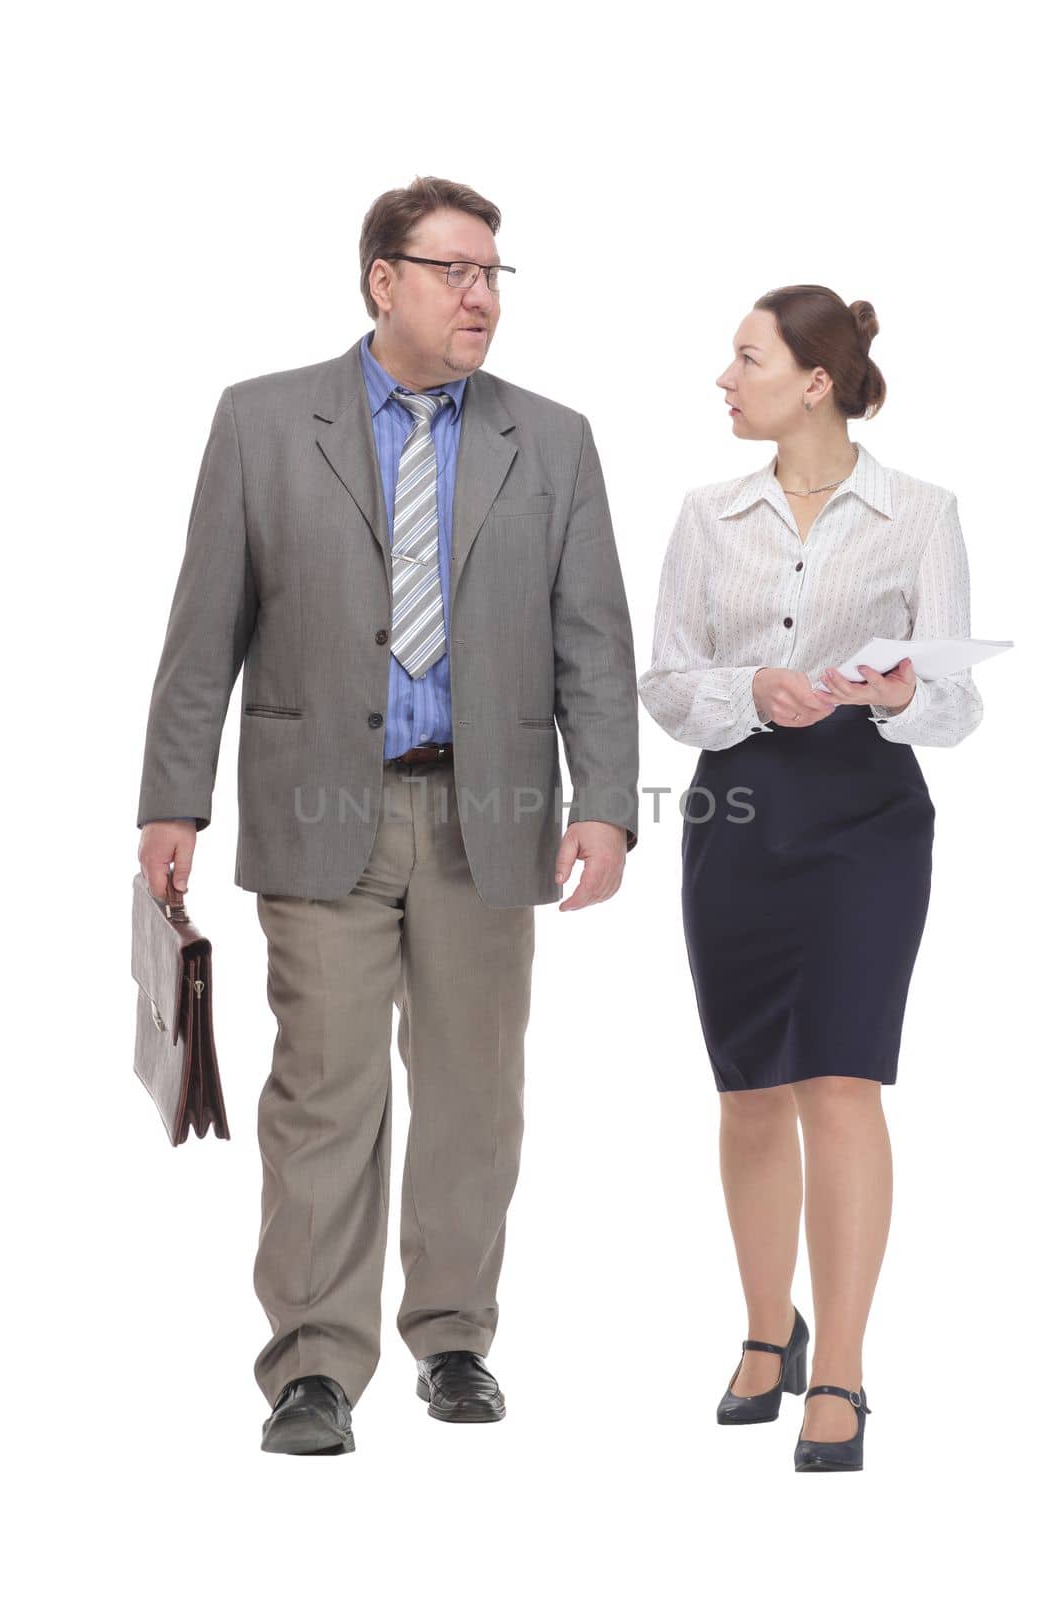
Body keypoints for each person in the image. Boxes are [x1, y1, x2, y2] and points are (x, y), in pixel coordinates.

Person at [136, 175, 639, 1456]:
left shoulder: (554, 439)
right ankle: (312, 1364)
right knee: (323, 1092)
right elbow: (206, 631)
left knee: (475, 1091)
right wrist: (171, 800)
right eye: (455, 271)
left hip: (493, 814)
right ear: (383, 279)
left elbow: (591, 637)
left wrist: (604, 806)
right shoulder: (262, 421)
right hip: (319, 817)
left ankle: (454, 1336)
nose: (481, 296)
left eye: (493, 275)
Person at [637, 284, 982, 1472]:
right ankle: (759, 1328)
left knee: (840, 1079)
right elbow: (667, 679)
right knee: (746, 1087)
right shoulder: (707, 511)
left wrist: (896, 694)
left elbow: (955, 704)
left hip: (864, 817)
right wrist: (750, 692)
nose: (723, 381)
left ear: (813, 381)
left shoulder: (920, 512)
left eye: (744, 359)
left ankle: (838, 1365)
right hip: (736, 806)